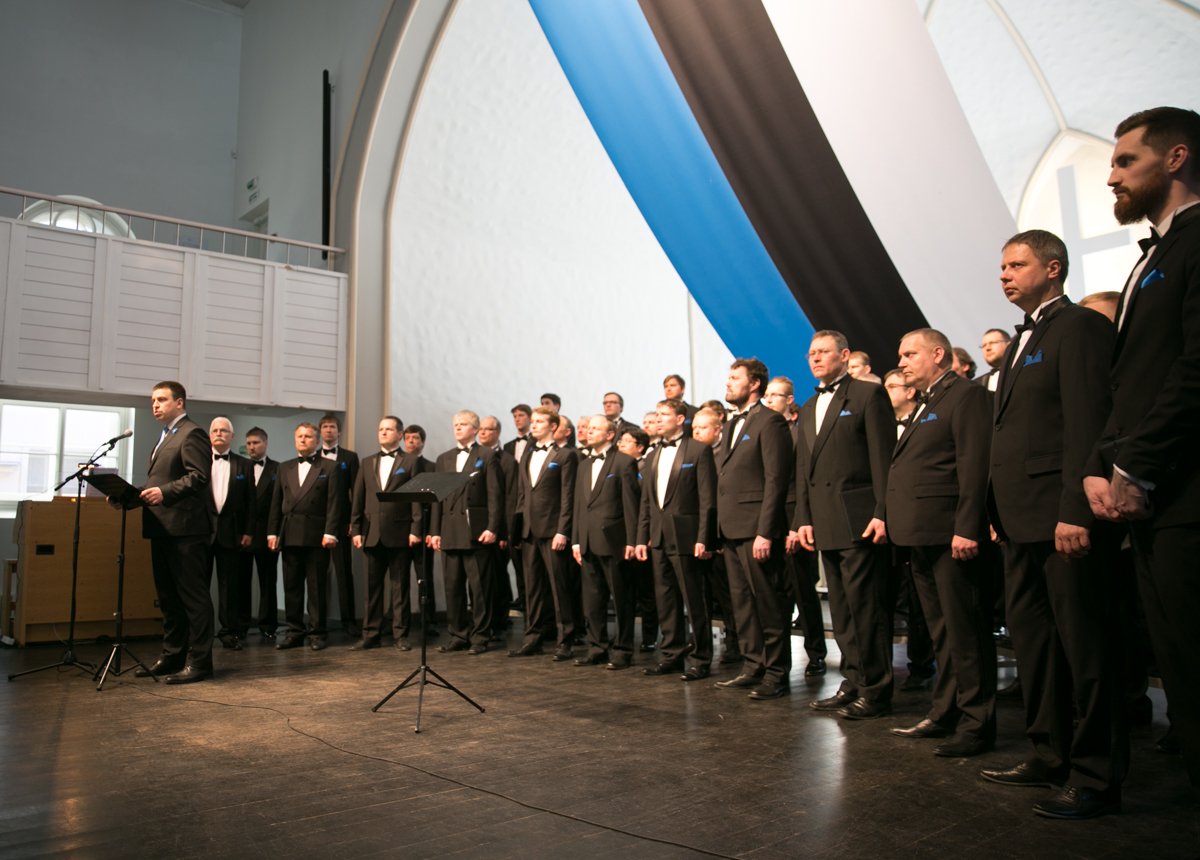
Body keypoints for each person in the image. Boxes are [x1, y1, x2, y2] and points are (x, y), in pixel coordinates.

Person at [982, 229, 1123, 820]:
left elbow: (1088, 422)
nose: (1004, 275)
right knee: (1036, 646)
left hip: (1062, 518)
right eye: (1002, 267)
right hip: (1018, 521)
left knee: (1087, 650)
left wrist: (1074, 510)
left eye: (1016, 265)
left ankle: (1096, 776)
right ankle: (1049, 752)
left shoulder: (1081, 327)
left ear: (1054, 268)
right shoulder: (1022, 338)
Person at [1084, 106, 1200, 796]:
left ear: (1176, 158)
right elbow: (1129, 381)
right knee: (1181, 672)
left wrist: (1136, 466)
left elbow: (1194, 370)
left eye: (1126, 161)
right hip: (1158, 500)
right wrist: (1102, 465)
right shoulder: (1152, 255)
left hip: (1187, 492)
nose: (1111, 177)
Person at [888, 329, 996, 757]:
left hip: (952, 534)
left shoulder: (966, 396)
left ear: (938, 354)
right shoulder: (928, 400)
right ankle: (945, 711)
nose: (902, 362)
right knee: (943, 632)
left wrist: (968, 526)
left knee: (966, 633)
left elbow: (974, 465)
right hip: (923, 535)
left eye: (909, 354)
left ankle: (977, 723)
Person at [788, 331, 895, 720]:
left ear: (844, 355)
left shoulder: (867, 394)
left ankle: (876, 689)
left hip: (860, 516)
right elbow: (804, 469)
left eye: (823, 352)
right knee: (842, 610)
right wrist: (803, 518)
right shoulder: (810, 404)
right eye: (811, 353)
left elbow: (883, 458)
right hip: (824, 519)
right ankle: (853, 681)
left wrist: (883, 511)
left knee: (866, 608)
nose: (815, 358)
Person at [713, 358, 793, 700]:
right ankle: (752, 665)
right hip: (731, 528)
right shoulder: (731, 424)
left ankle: (776, 672)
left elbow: (776, 480)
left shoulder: (770, 420)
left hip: (756, 528)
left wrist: (765, 531)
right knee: (742, 602)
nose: (728, 383)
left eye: (735, 377)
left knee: (768, 602)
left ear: (755, 383)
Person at [133, 381, 214, 685]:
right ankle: (172, 656)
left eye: (162, 399)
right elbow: (160, 480)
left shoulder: (192, 433)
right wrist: (128, 496)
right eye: (153, 400)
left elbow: (199, 477)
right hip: (162, 528)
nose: (155, 405)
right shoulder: (165, 435)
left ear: (179, 402)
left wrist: (164, 492)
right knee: (168, 598)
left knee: (193, 598)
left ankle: (200, 662)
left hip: (186, 530)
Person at [635, 399, 717, 680]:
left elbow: (707, 500)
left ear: (680, 419)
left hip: (687, 536)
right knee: (665, 599)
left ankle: (701, 658)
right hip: (658, 536)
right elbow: (646, 502)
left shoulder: (698, 450)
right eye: (656, 414)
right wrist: (641, 537)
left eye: (664, 414)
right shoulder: (653, 454)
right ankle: (671, 654)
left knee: (694, 600)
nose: (658, 419)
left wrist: (704, 537)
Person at [763, 375, 827, 676]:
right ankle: (778, 657)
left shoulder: (800, 430)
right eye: (767, 396)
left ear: (789, 400)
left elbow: (803, 481)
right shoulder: (764, 428)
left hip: (794, 515)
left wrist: (797, 524)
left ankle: (816, 653)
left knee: (803, 589)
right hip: (770, 518)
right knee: (776, 591)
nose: (768, 401)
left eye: (775, 396)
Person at [349, 416, 424, 651]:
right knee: (371, 588)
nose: (383, 432)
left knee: (399, 587)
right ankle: (370, 634)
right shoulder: (366, 462)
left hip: (400, 531)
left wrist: (415, 529)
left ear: (400, 434)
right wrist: (356, 528)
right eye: (381, 429)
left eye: (388, 429)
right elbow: (358, 497)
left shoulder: (410, 461)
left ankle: (400, 635)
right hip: (371, 532)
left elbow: (416, 498)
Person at [430, 410, 502, 654]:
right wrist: (435, 531)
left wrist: (492, 527)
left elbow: (495, 494)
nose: (458, 428)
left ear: (475, 429)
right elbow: (437, 498)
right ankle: (458, 634)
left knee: (479, 588)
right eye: (455, 424)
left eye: (463, 424)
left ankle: (480, 636)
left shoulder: (487, 455)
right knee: (453, 587)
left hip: (476, 531)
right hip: (449, 530)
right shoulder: (443, 458)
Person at [572, 416, 640, 669]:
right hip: (588, 540)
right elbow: (580, 505)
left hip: (614, 541)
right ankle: (597, 647)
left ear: (610, 434)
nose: (589, 432)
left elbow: (631, 505)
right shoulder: (583, 465)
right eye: (588, 428)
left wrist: (632, 540)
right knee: (592, 600)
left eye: (595, 429)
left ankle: (623, 649)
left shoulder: (624, 462)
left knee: (621, 598)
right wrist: (576, 540)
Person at [511, 407, 578, 659]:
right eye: (533, 421)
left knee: (559, 587)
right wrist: (518, 530)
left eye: (539, 421)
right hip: (529, 530)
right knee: (533, 588)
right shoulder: (528, 455)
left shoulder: (566, 455)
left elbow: (568, 496)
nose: (534, 425)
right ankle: (533, 638)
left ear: (553, 426)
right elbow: (522, 495)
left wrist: (563, 530)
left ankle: (565, 640)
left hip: (552, 530)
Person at [268, 422, 341, 651]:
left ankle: (317, 633)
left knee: (317, 587)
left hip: (317, 535)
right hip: (290, 533)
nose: (303, 440)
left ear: (317, 441)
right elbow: (276, 502)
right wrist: (272, 532)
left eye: (308, 436)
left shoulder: (330, 467)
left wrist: (330, 532)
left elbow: (334, 503)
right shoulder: (284, 467)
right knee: (292, 586)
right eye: (299, 436)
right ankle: (294, 632)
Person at [207, 417, 254, 651]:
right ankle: (201, 634)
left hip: (232, 533)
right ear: (209, 435)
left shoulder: (244, 465)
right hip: (202, 533)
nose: (219, 434)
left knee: (229, 587)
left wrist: (248, 531)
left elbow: (250, 502)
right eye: (215, 430)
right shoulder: (198, 461)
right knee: (199, 586)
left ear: (232, 436)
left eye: (224, 431)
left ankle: (229, 633)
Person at [318, 414, 359, 638]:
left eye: (332, 427)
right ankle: (318, 622)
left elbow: (356, 491)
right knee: (317, 575)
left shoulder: (350, 458)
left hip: (342, 523)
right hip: (317, 523)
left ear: (339, 431)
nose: (328, 430)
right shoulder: (313, 457)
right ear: (320, 431)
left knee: (344, 574)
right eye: (325, 427)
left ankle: (349, 620)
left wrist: (353, 520)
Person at [242, 427, 280, 639]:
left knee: (268, 581)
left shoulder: (278, 469)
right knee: (241, 581)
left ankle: (268, 625)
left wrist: (275, 532)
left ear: (265, 443)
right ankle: (241, 625)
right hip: (243, 534)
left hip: (268, 533)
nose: (251, 447)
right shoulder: (240, 466)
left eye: (255, 443)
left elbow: (280, 503)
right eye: (248, 443)